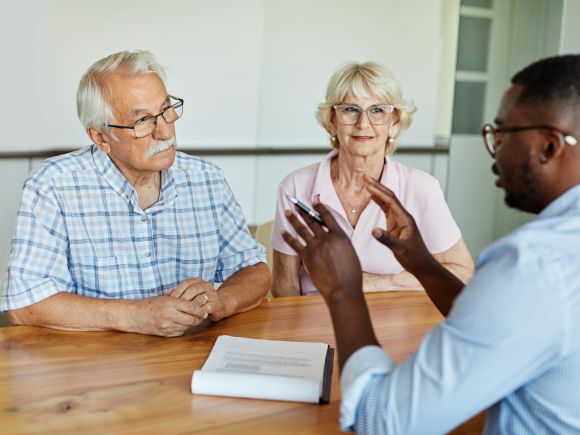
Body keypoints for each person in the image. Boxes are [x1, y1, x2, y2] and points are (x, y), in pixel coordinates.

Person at [282, 54, 580, 433]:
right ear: (332, 119)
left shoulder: (533, 265)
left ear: (549, 147)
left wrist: (345, 290)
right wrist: (423, 265)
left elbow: (380, 421)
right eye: (350, 110)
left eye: (502, 134)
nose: (493, 151)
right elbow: (500, 325)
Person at [1, 50, 272, 337]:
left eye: (167, 110)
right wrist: (135, 316)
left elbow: (255, 271)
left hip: (193, 358)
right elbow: (25, 303)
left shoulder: (207, 178)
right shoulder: (53, 185)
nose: (166, 132)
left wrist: (223, 300)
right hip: (95, 366)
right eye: (142, 121)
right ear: (101, 137)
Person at [271, 62, 473, 296]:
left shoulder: (421, 188)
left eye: (377, 110)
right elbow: (285, 286)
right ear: (332, 121)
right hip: (316, 324)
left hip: (394, 327)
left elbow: (462, 272)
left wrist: (376, 283)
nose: (363, 123)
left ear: (394, 123)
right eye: (350, 109)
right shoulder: (295, 186)